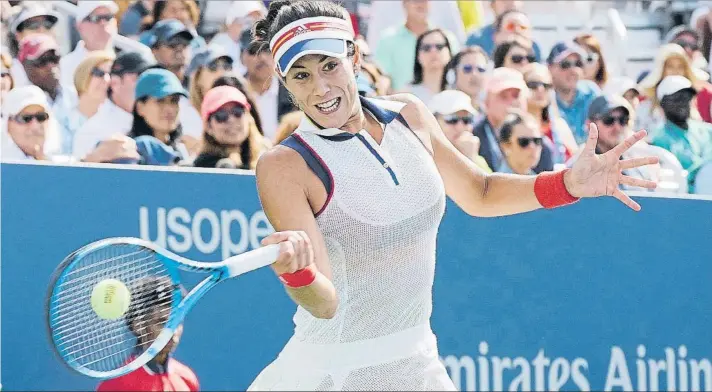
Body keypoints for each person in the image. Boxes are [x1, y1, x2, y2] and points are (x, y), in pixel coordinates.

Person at [246, 1, 657, 390]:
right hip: (331, 376)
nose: (320, 88)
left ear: (354, 57)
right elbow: (325, 304)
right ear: (285, 83)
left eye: (329, 66)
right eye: (301, 75)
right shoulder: (283, 165)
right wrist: (297, 274)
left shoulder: (409, 114)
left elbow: (479, 192)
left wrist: (566, 183)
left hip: (418, 363)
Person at [96, 276, 199, 391]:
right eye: (162, 323)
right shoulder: (116, 385)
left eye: (177, 322)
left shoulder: (187, 378)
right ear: (138, 325)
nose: (173, 332)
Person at [577, 94, 689, 194]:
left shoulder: (640, 165)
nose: (617, 127)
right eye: (608, 120)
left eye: (623, 120)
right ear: (589, 125)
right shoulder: (578, 167)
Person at [72, 50, 156, 160]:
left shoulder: (159, 119)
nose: (147, 83)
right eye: (140, 77)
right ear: (115, 83)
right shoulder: (92, 132)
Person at [374, 0, 459, 91]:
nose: (421, 4)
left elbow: (457, 74)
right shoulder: (388, 39)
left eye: (425, 1)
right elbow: (382, 77)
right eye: (416, 1)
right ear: (404, 4)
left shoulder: (446, 38)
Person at [141, 19, 203, 139]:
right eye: (172, 44)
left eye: (185, 43)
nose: (179, 48)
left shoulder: (197, 85)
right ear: (155, 50)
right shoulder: (146, 86)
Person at [651, 75, 712, 193]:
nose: (684, 102)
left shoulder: (708, 130)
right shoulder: (658, 139)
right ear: (663, 103)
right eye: (677, 98)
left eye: (688, 97)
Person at [17, 33, 75, 155]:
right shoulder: (18, 104)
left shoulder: (76, 95)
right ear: (25, 66)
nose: (50, 65)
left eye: (54, 58)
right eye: (42, 61)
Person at [194, 86, 270, 169]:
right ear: (208, 127)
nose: (231, 120)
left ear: (248, 117)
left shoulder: (267, 157)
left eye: (238, 112)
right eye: (221, 115)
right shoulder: (200, 168)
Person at [56, 51, 115, 155]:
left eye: (111, 74)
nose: (106, 79)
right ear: (83, 74)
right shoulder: (60, 119)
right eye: (98, 73)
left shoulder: (116, 122)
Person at [128, 68, 191, 165]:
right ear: (140, 107)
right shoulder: (129, 152)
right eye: (160, 100)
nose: (169, 109)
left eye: (174, 100)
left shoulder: (182, 151)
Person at [547, 41, 601, 144]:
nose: (573, 70)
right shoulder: (544, 96)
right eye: (565, 64)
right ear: (550, 68)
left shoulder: (591, 92)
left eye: (578, 64)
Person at [523, 63, 578, 164]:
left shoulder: (559, 126)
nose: (541, 90)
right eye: (533, 85)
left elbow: (575, 159)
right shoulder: (514, 126)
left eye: (546, 85)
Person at [59, 1, 118, 90]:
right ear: (79, 26)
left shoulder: (126, 63)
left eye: (108, 17)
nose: (103, 23)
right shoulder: (64, 67)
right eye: (95, 18)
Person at [429, 89, 491, 172]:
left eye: (467, 120)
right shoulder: (424, 157)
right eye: (452, 119)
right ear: (433, 121)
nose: (460, 127)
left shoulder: (477, 158)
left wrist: (470, 158)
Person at [6, 2, 58, 87]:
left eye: (47, 25)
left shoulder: (64, 65)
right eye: (33, 26)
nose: (42, 30)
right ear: (18, 35)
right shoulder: (8, 71)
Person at [210, 0, 266, 72]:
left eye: (256, 22)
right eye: (247, 21)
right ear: (232, 22)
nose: (251, 27)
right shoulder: (217, 48)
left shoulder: (258, 50)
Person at [402, 29, 453, 103]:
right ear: (418, 56)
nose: (433, 51)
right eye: (426, 48)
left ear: (449, 52)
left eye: (439, 46)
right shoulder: (407, 95)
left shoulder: (458, 92)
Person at [442, 46, 489, 114]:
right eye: (467, 68)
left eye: (480, 69)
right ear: (453, 75)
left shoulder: (488, 115)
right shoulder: (443, 112)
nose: (474, 74)